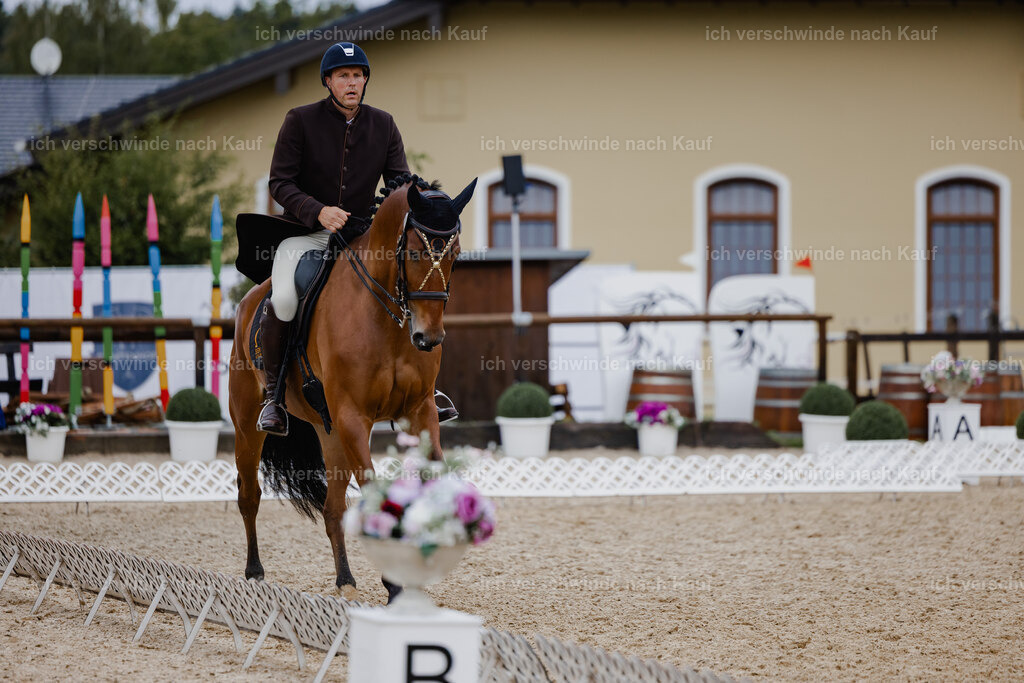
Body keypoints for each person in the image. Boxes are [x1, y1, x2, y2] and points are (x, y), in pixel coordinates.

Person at [258, 42, 456, 435]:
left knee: (408, 283)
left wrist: (424, 203)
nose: (352, 83)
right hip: (306, 234)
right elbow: (279, 182)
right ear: (328, 81)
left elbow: (399, 183)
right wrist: (317, 211)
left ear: (365, 81)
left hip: (361, 236)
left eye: (358, 76)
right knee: (282, 297)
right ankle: (275, 396)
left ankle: (424, 392)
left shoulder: (383, 124)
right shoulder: (300, 120)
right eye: (344, 76)